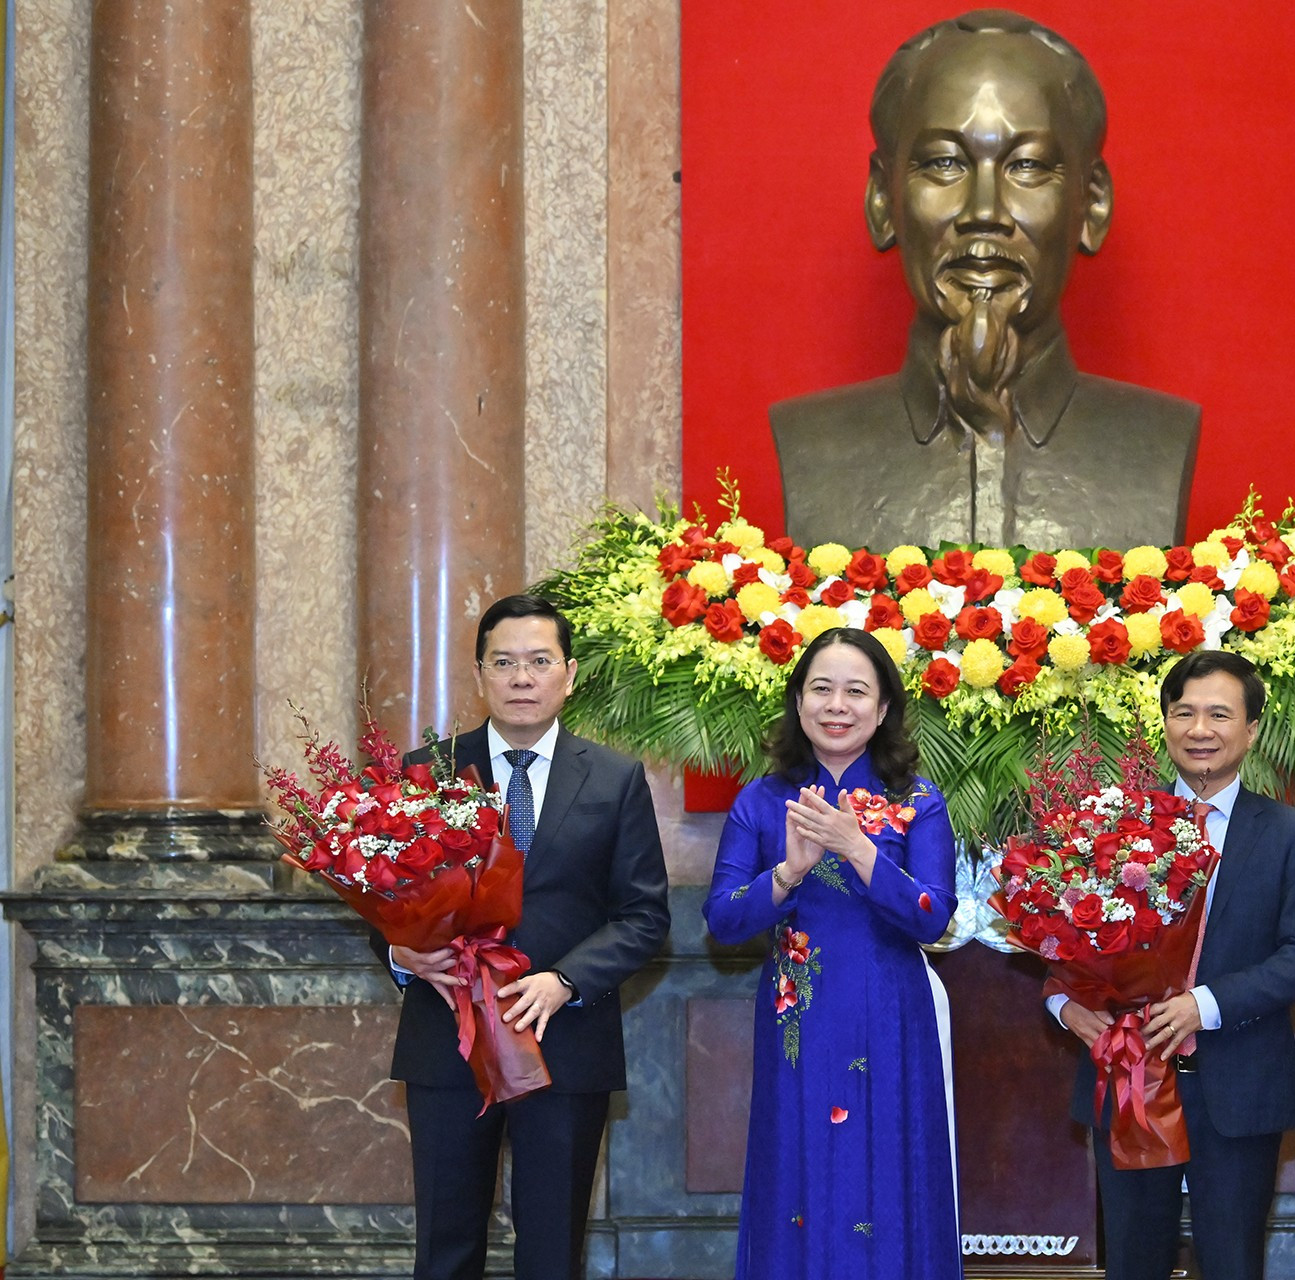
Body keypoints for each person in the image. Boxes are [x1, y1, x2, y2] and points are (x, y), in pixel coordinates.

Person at [772, 9, 1198, 551]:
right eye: (945, 164)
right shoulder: (812, 443)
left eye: (1027, 166)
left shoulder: (1158, 442)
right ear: (883, 199)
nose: (984, 211)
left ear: (1091, 205)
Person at [381, 594, 671, 1280]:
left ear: (568, 675)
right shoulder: (429, 772)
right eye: (504, 662)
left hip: (565, 1045)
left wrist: (566, 979)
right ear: (479, 675)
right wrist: (401, 955)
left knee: (551, 1252)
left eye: (538, 662)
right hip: (447, 1041)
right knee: (445, 1249)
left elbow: (645, 917)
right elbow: (386, 897)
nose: (521, 678)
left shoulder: (616, 778)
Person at [1049, 650, 1295, 1280]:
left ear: (1251, 729)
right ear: (1166, 724)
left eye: (1219, 714)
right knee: (1132, 1260)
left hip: (1236, 1083)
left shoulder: (1288, 832)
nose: (1200, 729)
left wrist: (1201, 1006)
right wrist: (1063, 1005)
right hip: (1130, 1079)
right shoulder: (1115, 823)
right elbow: (1063, 937)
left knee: (1232, 1262)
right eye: (1185, 713)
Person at [704, 627, 962, 1280]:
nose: (837, 705)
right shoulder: (762, 802)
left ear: (881, 711)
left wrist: (860, 848)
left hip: (891, 1018)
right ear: (797, 702)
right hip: (801, 1020)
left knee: (889, 1167)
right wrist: (787, 875)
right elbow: (723, 920)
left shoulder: (919, 802)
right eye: (821, 688)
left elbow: (933, 918)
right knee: (800, 1167)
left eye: (856, 691)